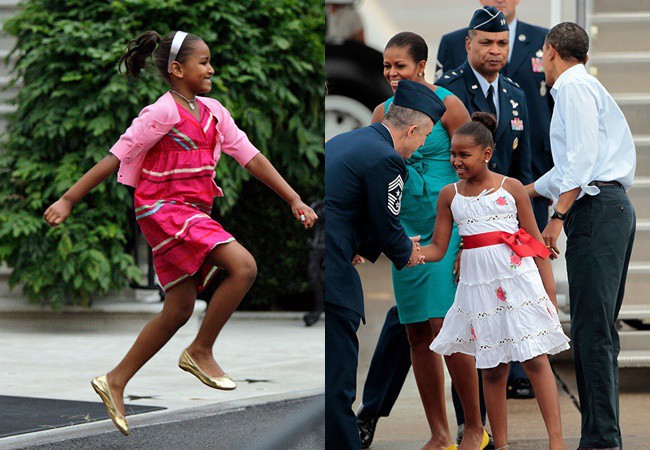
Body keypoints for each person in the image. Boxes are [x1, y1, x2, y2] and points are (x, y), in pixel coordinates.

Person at [43, 30, 317, 436]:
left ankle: (114, 380)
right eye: (203, 62)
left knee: (179, 307)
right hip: (162, 209)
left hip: (190, 211)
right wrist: (67, 199)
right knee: (243, 266)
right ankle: (200, 350)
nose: (211, 68)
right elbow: (117, 156)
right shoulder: (161, 113)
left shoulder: (214, 112)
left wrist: (294, 198)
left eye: (209, 61)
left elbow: (251, 157)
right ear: (176, 69)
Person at [356, 31, 478, 449]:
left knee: (447, 325)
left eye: (400, 66)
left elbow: (473, 164)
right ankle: (440, 435)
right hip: (404, 231)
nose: (391, 73)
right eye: (387, 66)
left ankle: (475, 429)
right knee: (415, 333)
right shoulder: (381, 112)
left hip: (447, 224)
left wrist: (473, 236)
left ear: (421, 66)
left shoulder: (448, 104)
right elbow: (373, 176)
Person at [421, 111, 570, 450]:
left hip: (518, 281)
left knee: (534, 359)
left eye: (464, 155)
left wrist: (547, 292)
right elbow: (439, 246)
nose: (456, 161)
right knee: (491, 367)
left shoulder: (511, 187)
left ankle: (557, 442)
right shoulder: (449, 195)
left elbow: (534, 243)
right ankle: (500, 444)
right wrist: (412, 253)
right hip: (479, 288)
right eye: (453, 155)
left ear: (486, 154)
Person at [325, 80, 450, 450]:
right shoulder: (388, 159)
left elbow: (347, 206)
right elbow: (386, 221)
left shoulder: (347, 141)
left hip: (329, 256)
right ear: (412, 129)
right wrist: (404, 250)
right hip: (335, 275)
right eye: (425, 136)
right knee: (339, 387)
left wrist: (368, 244)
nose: (424, 144)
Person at [528, 22, 636, 450]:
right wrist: (526, 190)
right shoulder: (585, 86)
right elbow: (571, 167)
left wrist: (556, 218)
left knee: (593, 332)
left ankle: (601, 441)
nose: (542, 65)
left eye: (542, 57)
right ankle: (600, 437)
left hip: (595, 211)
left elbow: (583, 162)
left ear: (552, 51)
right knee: (599, 330)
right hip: (610, 210)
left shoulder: (571, 88)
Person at [435, 0, 554, 231]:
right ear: (469, 44)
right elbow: (442, 161)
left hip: (506, 213)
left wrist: (528, 226)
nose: (495, 50)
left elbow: (522, 165)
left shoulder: (515, 94)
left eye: (502, 43)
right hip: (466, 215)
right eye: (486, 42)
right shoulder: (448, 90)